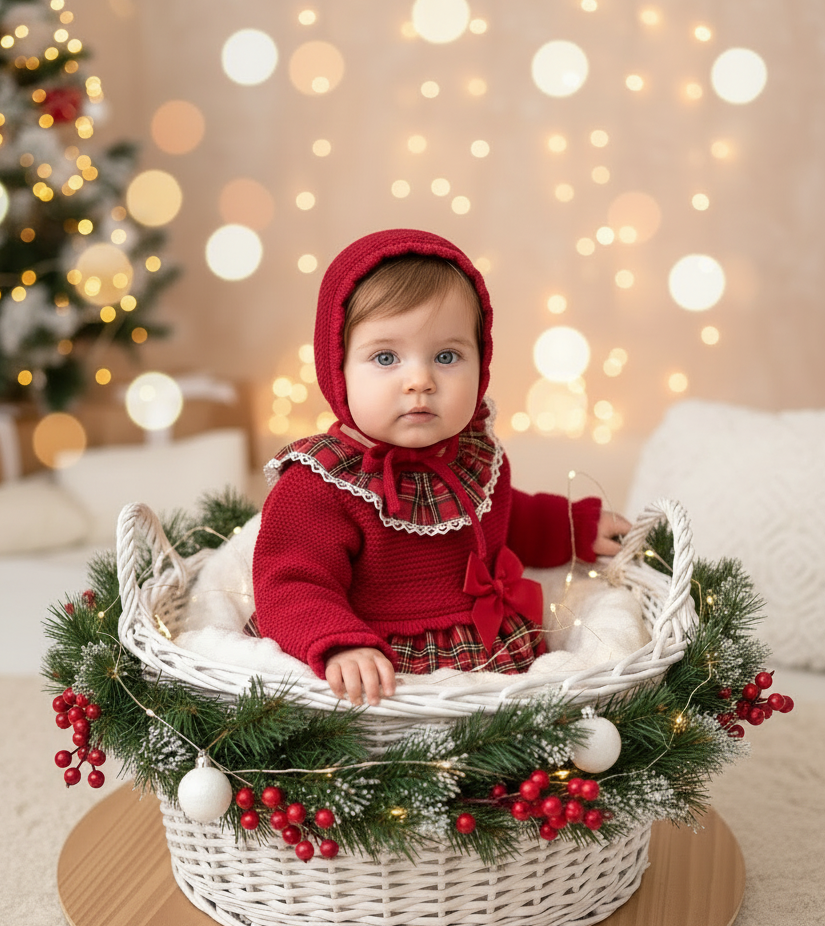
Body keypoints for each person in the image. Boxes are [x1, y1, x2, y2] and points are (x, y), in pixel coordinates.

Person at [252, 228, 629, 707]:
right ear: (338, 368)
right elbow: (291, 582)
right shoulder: (321, 485)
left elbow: (507, 519)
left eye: (446, 356)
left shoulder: (473, 455)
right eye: (385, 357)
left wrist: (572, 526)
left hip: (492, 653)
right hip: (387, 669)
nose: (420, 381)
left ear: (481, 362)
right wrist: (340, 643)